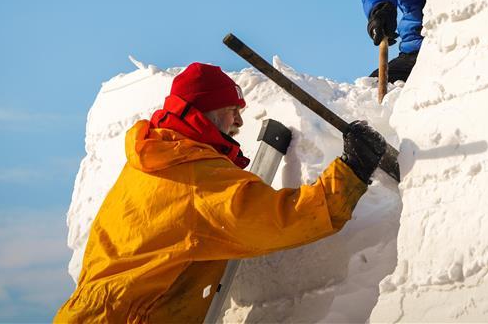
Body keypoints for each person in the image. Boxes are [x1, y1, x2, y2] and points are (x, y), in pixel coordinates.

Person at [55, 62, 385, 323]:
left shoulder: (149, 158)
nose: (239, 122)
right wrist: (351, 170)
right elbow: (282, 219)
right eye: (232, 110)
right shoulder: (197, 175)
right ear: (207, 112)